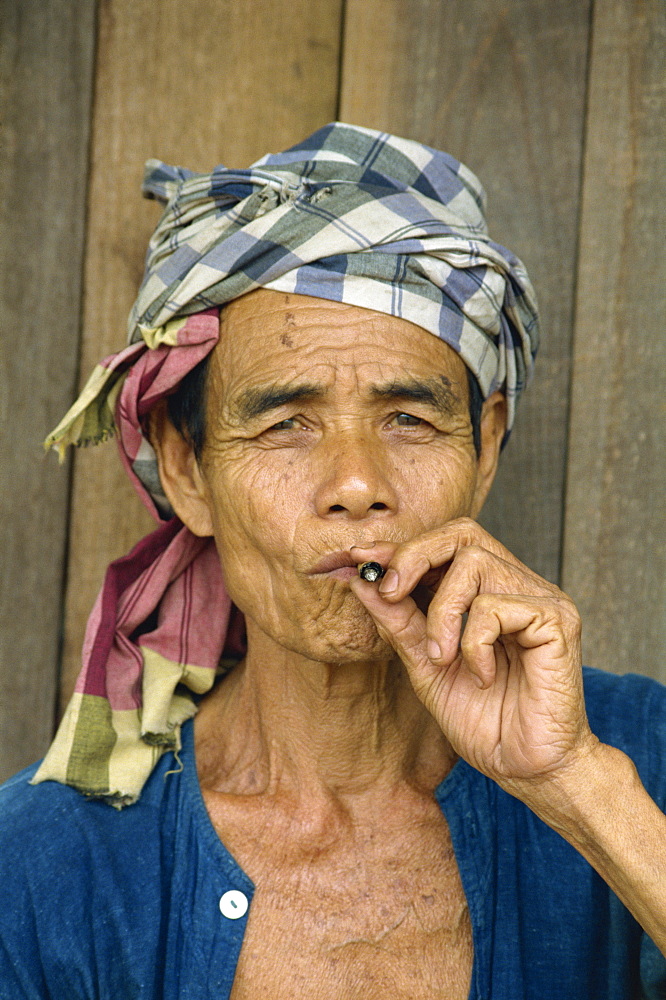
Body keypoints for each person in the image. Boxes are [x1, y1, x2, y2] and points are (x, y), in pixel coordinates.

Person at [0, 123, 664, 999]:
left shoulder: (637, 762)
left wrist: (577, 784)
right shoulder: (47, 867)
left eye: (409, 419)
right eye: (285, 423)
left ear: (486, 448)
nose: (357, 483)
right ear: (188, 470)